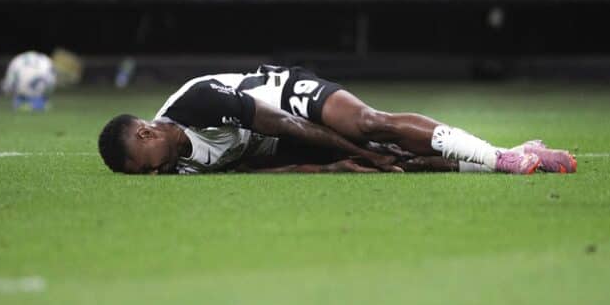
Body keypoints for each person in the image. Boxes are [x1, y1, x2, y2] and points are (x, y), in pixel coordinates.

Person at [97, 64, 577, 175]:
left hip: (280, 98)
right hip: (266, 142)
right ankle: (524, 152)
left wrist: (353, 147)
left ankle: (502, 158)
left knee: (372, 128)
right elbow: (251, 170)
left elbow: (282, 124)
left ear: (145, 132)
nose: (156, 175)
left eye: (147, 165)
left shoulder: (194, 102)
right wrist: (329, 167)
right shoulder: (181, 169)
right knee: (388, 165)